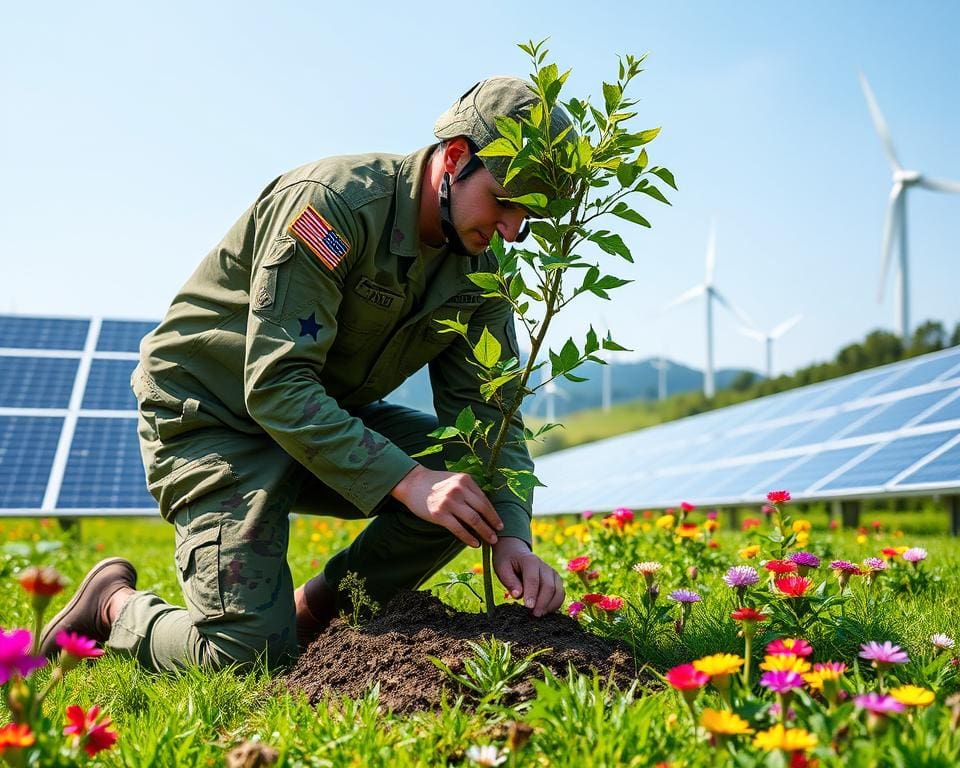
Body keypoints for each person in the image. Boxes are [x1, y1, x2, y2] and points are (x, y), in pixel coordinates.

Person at [39, 77, 570, 672]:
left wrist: (513, 536)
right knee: (245, 659)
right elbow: (274, 383)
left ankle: (312, 615)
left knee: (465, 488)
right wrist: (408, 480)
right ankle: (113, 606)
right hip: (216, 418)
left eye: (528, 216)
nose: (511, 229)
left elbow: (489, 419)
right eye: (504, 201)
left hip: (316, 421)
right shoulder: (332, 205)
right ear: (454, 158)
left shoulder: (480, 270)